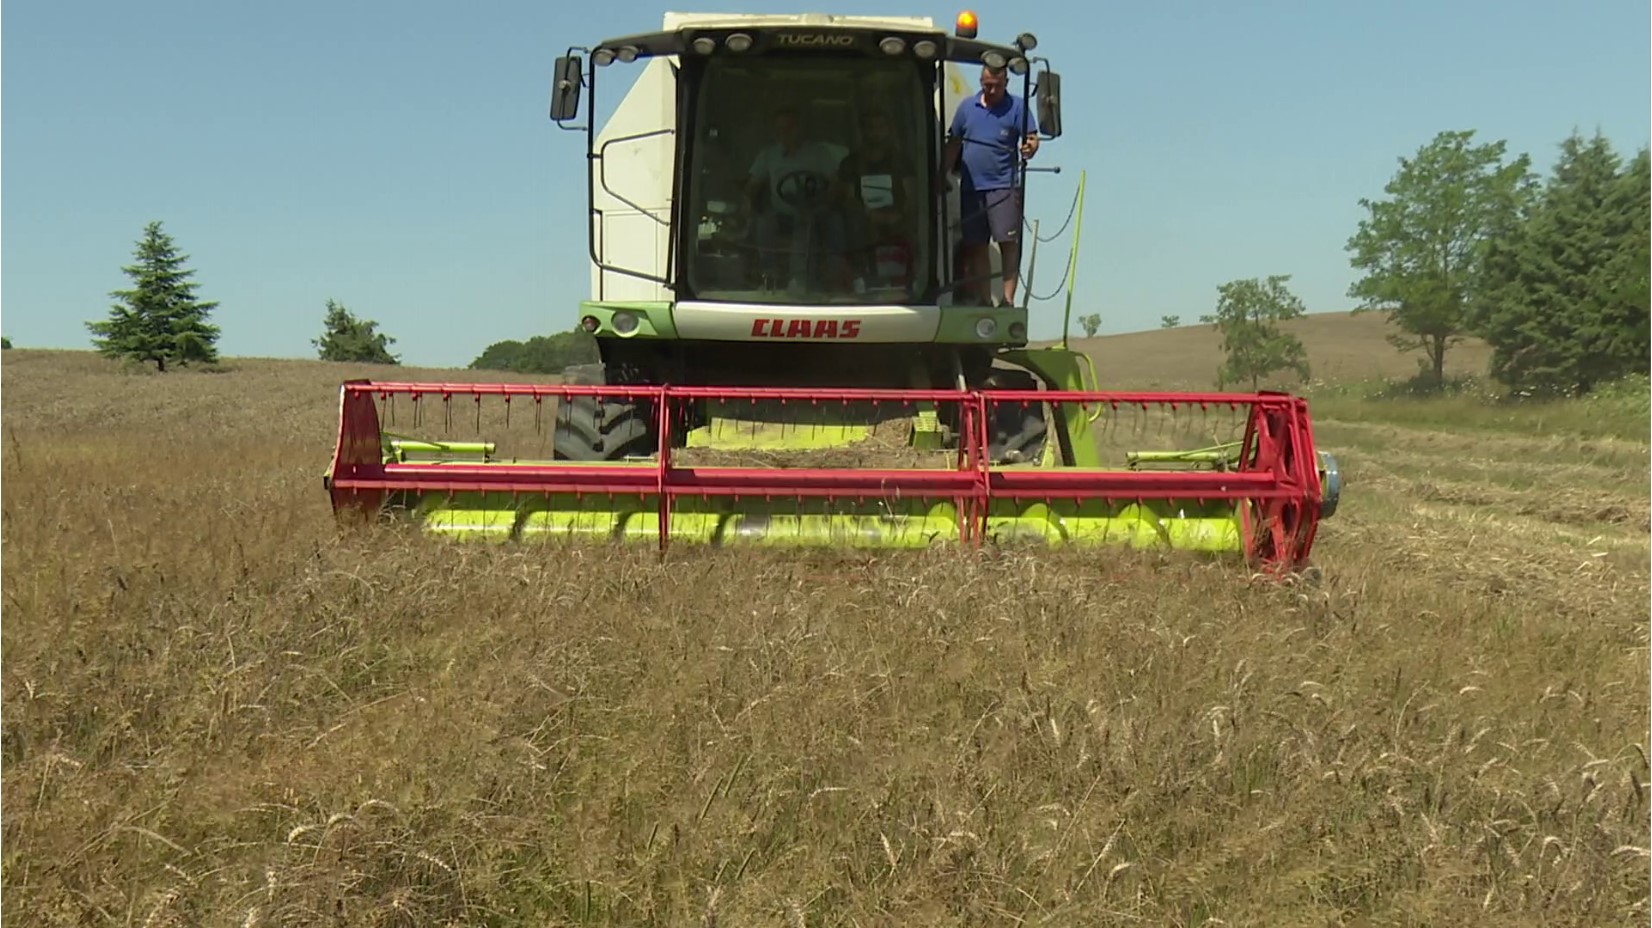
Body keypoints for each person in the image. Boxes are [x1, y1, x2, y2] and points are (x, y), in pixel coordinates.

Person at [941, 65, 1040, 305]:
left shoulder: (1017, 107)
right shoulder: (966, 108)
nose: (992, 89)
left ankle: (1007, 299)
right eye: (987, 85)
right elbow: (953, 143)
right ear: (981, 81)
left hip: (1004, 187)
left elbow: (1032, 138)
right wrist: (941, 174)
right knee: (976, 245)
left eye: (996, 85)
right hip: (971, 188)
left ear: (1006, 82)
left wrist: (1030, 147)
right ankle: (986, 300)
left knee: (1007, 243)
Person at [743, 106, 855, 293]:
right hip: (781, 214)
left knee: (834, 220)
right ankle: (769, 275)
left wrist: (826, 201)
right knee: (762, 222)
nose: (785, 133)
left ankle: (833, 276)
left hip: (816, 210)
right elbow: (753, 184)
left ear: (800, 129)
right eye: (780, 129)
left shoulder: (818, 152)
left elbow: (835, 182)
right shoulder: (768, 154)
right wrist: (746, 204)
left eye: (790, 128)